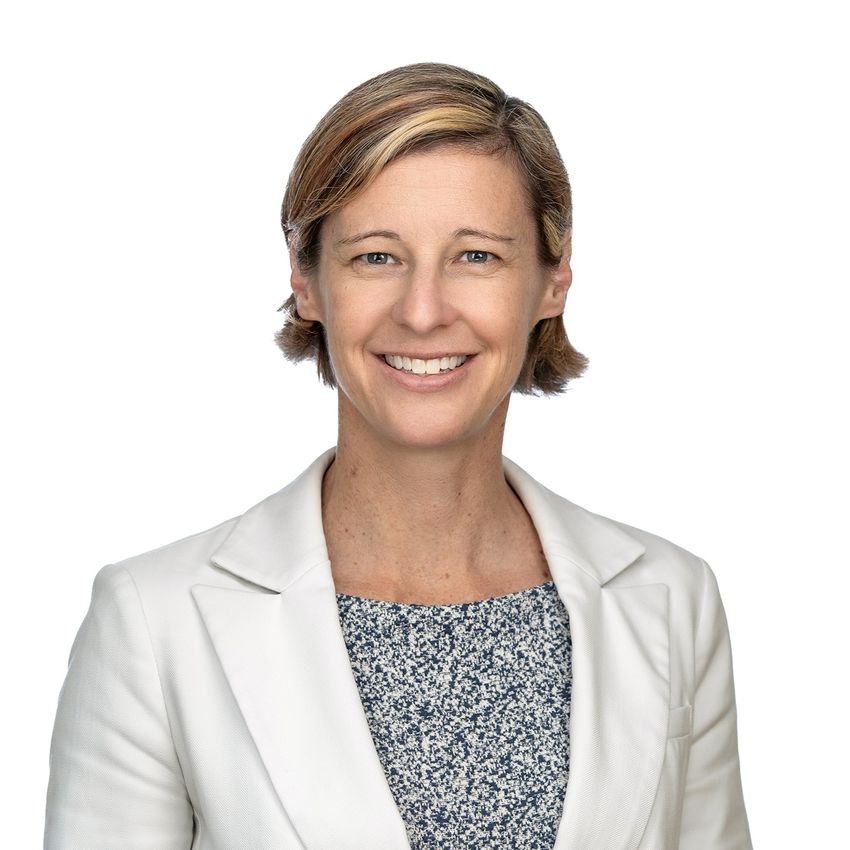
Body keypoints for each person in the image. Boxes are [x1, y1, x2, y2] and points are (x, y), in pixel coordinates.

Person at [44, 62, 753, 849]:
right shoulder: (153, 621)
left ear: (553, 281)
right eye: (376, 257)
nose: (422, 312)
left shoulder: (674, 599)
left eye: (476, 256)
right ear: (307, 281)